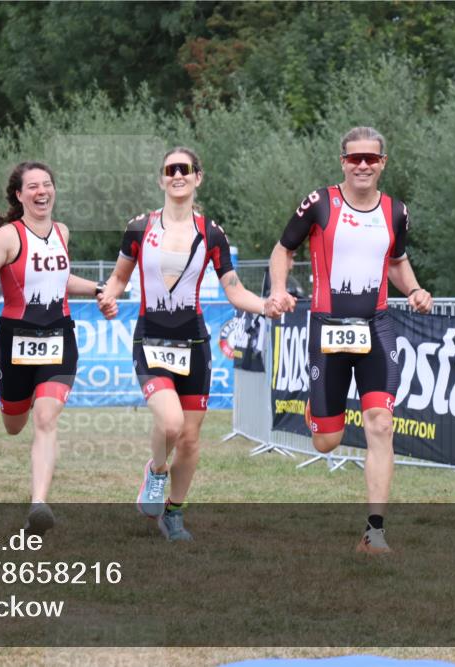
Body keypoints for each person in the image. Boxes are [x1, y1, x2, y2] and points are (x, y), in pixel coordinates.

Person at [268, 126, 433, 555]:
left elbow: (396, 261)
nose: (363, 165)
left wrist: (414, 290)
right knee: (328, 441)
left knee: (380, 424)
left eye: (371, 159)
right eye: (354, 158)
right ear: (342, 161)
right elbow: (282, 249)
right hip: (328, 327)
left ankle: (374, 531)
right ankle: (316, 410)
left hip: (377, 327)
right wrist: (279, 290)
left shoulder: (397, 212)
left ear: (383, 163)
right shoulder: (319, 203)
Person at [98, 147, 275, 542]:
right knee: (171, 423)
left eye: (186, 169)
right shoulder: (140, 228)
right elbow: (118, 279)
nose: (178, 175)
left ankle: (174, 513)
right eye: (170, 169)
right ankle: (156, 472)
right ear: (161, 179)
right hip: (151, 338)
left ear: (199, 177)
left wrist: (266, 305)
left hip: (194, 343)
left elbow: (234, 290)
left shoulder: (211, 232)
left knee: (191, 439)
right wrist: (109, 296)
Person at [0, 162, 116, 534]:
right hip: (14, 341)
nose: (41, 191)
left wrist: (100, 289)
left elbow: (60, 280)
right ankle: (18, 405)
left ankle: (39, 505)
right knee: (15, 425)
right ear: (19, 195)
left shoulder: (61, 232)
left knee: (46, 419)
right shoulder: (6, 238)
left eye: (47, 184)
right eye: (33, 186)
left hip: (59, 338)